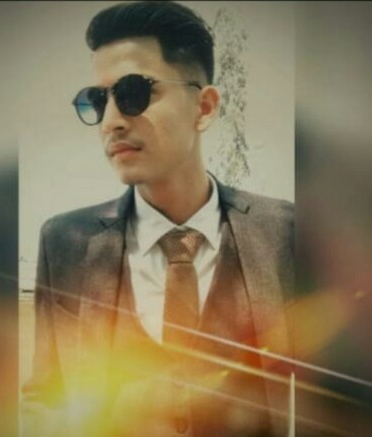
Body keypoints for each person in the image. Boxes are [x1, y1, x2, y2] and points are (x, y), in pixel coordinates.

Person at [21, 2, 295, 436]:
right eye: (97, 101)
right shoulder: (64, 242)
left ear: (204, 107)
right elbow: (46, 397)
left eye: (134, 92)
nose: (111, 122)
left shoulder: (287, 234)